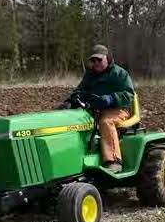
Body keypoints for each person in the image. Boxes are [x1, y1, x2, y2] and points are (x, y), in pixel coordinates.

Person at [58, 44, 136, 172]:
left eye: (99, 60)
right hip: (95, 109)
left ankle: (114, 161)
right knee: (73, 120)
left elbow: (129, 95)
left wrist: (110, 98)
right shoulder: (90, 76)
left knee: (105, 122)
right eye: (93, 60)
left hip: (118, 109)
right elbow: (79, 91)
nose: (96, 63)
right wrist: (69, 102)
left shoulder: (119, 73)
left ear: (108, 58)